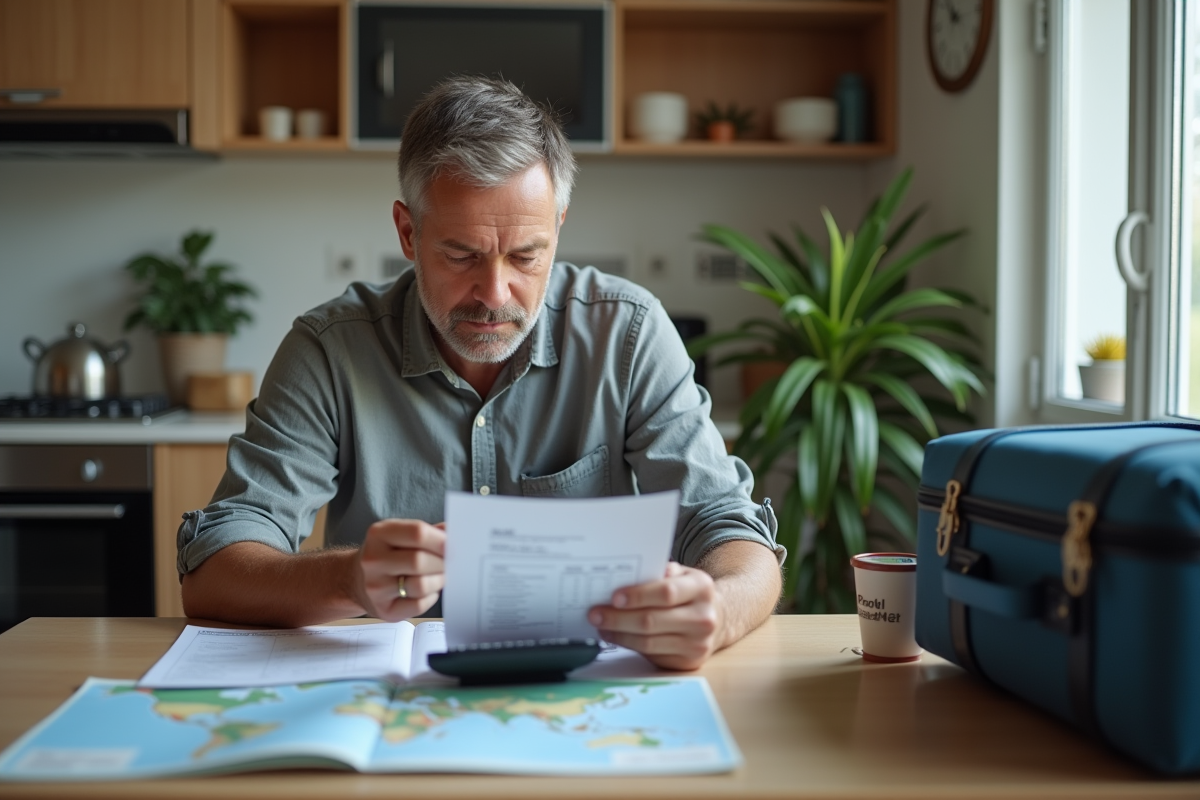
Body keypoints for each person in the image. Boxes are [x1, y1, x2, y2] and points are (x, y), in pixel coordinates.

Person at [179, 76, 784, 671]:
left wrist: (719, 610)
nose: (495, 294)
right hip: (394, 698)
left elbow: (727, 527)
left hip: (584, 689)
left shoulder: (628, 334)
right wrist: (348, 577)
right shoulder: (329, 350)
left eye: (526, 256)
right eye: (461, 255)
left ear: (559, 227)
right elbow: (214, 571)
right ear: (408, 232)